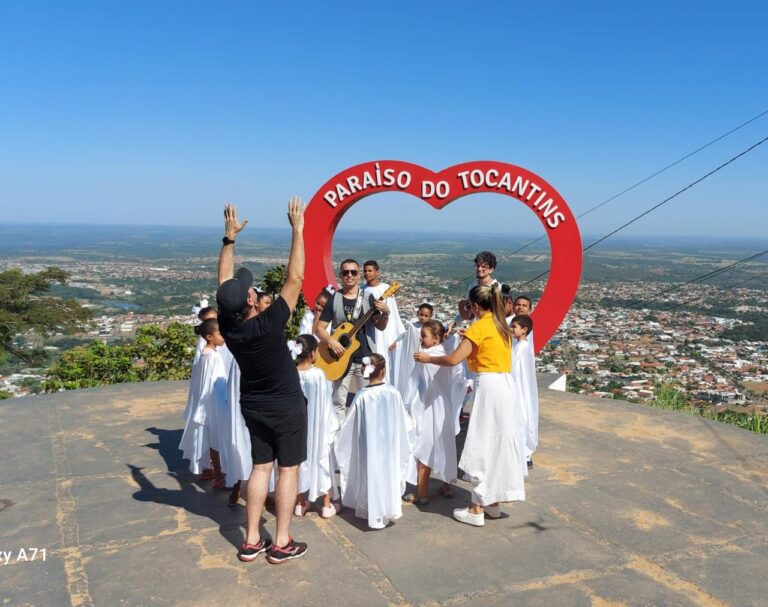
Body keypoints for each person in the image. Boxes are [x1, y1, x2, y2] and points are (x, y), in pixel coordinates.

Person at [216, 198, 308, 564]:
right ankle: (281, 541)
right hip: (285, 404)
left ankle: (251, 539)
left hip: (252, 405)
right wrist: (298, 230)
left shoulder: (229, 325)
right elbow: (295, 278)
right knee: (288, 470)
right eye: (251, 291)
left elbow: (225, 284)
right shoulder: (269, 326)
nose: (251, 290)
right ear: (252, 304)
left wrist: (229, 240)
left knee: (260, 468)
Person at [415, 284, 526, 527]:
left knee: (483, 442)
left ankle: (476, 508)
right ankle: (493, 502)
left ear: (474, 306)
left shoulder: (480, 327)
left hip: (488, 387)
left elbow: (454, 359)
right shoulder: (500, 324)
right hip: (506, 386)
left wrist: (428, 358)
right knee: (499, 442)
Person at [335, 354, 413, 530]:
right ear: (384, 371)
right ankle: (388, 507)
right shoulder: (393, 392)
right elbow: (405, 422)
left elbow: (349, 425)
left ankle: (370, 508)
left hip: (368, 446)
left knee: (369, 473)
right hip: (389, 446)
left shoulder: (362, 396)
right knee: (388, 473)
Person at [316, 259, 390, 423]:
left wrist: (385, 314)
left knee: (367, 401)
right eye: (345, 272)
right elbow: (319, 328)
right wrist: (331, 342)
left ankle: (365, 434)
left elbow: (381, 326)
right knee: (338, 402)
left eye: (353, 272)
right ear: (340, 275)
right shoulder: (334, 299)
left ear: (358, 276)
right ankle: (338, 438)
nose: (349, 275)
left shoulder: (368, 298)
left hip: (364, 358)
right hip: (340, 359)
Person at [403, 320, 465, 505]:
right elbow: (459, 377)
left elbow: (415, 382)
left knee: (424, 448)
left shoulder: (426, 356)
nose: (421, 340)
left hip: (429, 407)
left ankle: (421, 493)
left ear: (436, 338)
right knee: (445, 445)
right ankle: (446, 485)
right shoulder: (447, 355)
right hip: (445, 406)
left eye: (424, 336)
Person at [292, 334, 341, 519]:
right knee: (322, 460)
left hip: (298, 428)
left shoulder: (291, 373)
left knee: (299, 463)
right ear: (313, 353)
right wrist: (332, 424)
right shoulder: (318, 375)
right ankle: (327, 505)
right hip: (318, 427)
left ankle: (300, 502)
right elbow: (325, 403)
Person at [179, 318, 228, 483]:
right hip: (214, 403)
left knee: (211, 438)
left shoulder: (205, 355)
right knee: (216, 440)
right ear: (209, 337)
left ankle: (215, 471)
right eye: (220, 333)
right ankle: (220, 475)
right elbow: (217, 383)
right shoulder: (213, 357)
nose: (223, 336)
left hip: (207, 403)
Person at [363, 260, 405, 380]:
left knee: (385, 361)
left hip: (384, 331)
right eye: (365, 271)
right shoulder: (362, 290)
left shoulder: (386, 289)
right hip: (369, 330)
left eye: (370, 271)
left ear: (377, 272)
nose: (367, 273)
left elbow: (393, 314)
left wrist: (395, 337)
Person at [511, 315, 538, 469]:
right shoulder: (525, 346)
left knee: (520, 419)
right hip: (524, 389)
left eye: (514, 327)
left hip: (519, 389)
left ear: (524, 330)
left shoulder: (521, 348)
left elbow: (516, 371)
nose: (511, 329)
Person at [392, 303, 433, 405]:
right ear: (417, 314)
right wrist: (395, 343)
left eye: (426, 315)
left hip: (425, 357)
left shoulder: (431, 329)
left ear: (430, 316)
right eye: (421, 314)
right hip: (411, 358)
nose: (422, 317)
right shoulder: (412, 327)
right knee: (410, 378)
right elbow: (404, 336)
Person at [458, 251, 500, 322]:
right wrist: (454, 323)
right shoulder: (472, 286)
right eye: (477, 266)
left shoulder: (498, 288)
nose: (479, 269)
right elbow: (469, 310)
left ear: (491, 269)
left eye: (483, 267)